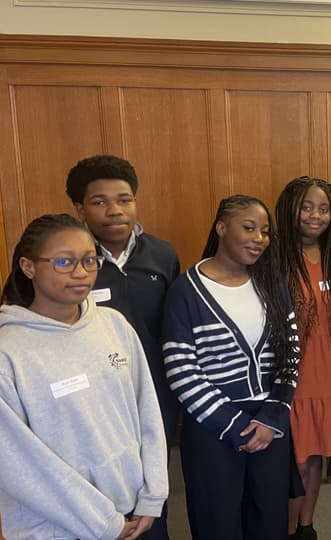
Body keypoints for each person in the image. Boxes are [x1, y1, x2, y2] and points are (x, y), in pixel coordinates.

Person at [0, 213, 168, 540]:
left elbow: (147, 412)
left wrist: (154, 493)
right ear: (28, 266)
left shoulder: (114, 325)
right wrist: (104, 523)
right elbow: (18, 462)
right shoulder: (9, 352)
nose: (81, 273)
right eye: (64, 261)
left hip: (136, 514)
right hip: (57, 528)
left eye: (89, 260)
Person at [162, 195, 301, 540]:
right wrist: (235, 425)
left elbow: (291, 353)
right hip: (213, 427)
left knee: (269, 519)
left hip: (270, 425)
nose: (259, 239)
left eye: (265, 232)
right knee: (217, 521)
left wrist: (272, 417)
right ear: (222, 228)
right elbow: (181, 368)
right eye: (249, 228)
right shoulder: (186, 290)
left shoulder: (272, 283)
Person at [66, 154, 180, 539]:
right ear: (79, 208)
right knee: (97, 490)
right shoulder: (69, 263)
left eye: (124, 199)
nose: (115, 210)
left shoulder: (162, 255)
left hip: (153, 395)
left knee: (152, 484)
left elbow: (174, 329)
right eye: (100, 202)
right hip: (91, 400)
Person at [275, 177, 331, 540]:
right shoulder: (272, 255)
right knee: (289, 463)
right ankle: (285, 529)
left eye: (323, 208)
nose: (315, 216)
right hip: (289, 379)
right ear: (290, 210)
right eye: (307, 207)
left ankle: (306, 527)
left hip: (330, 376)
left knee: (314, 459)